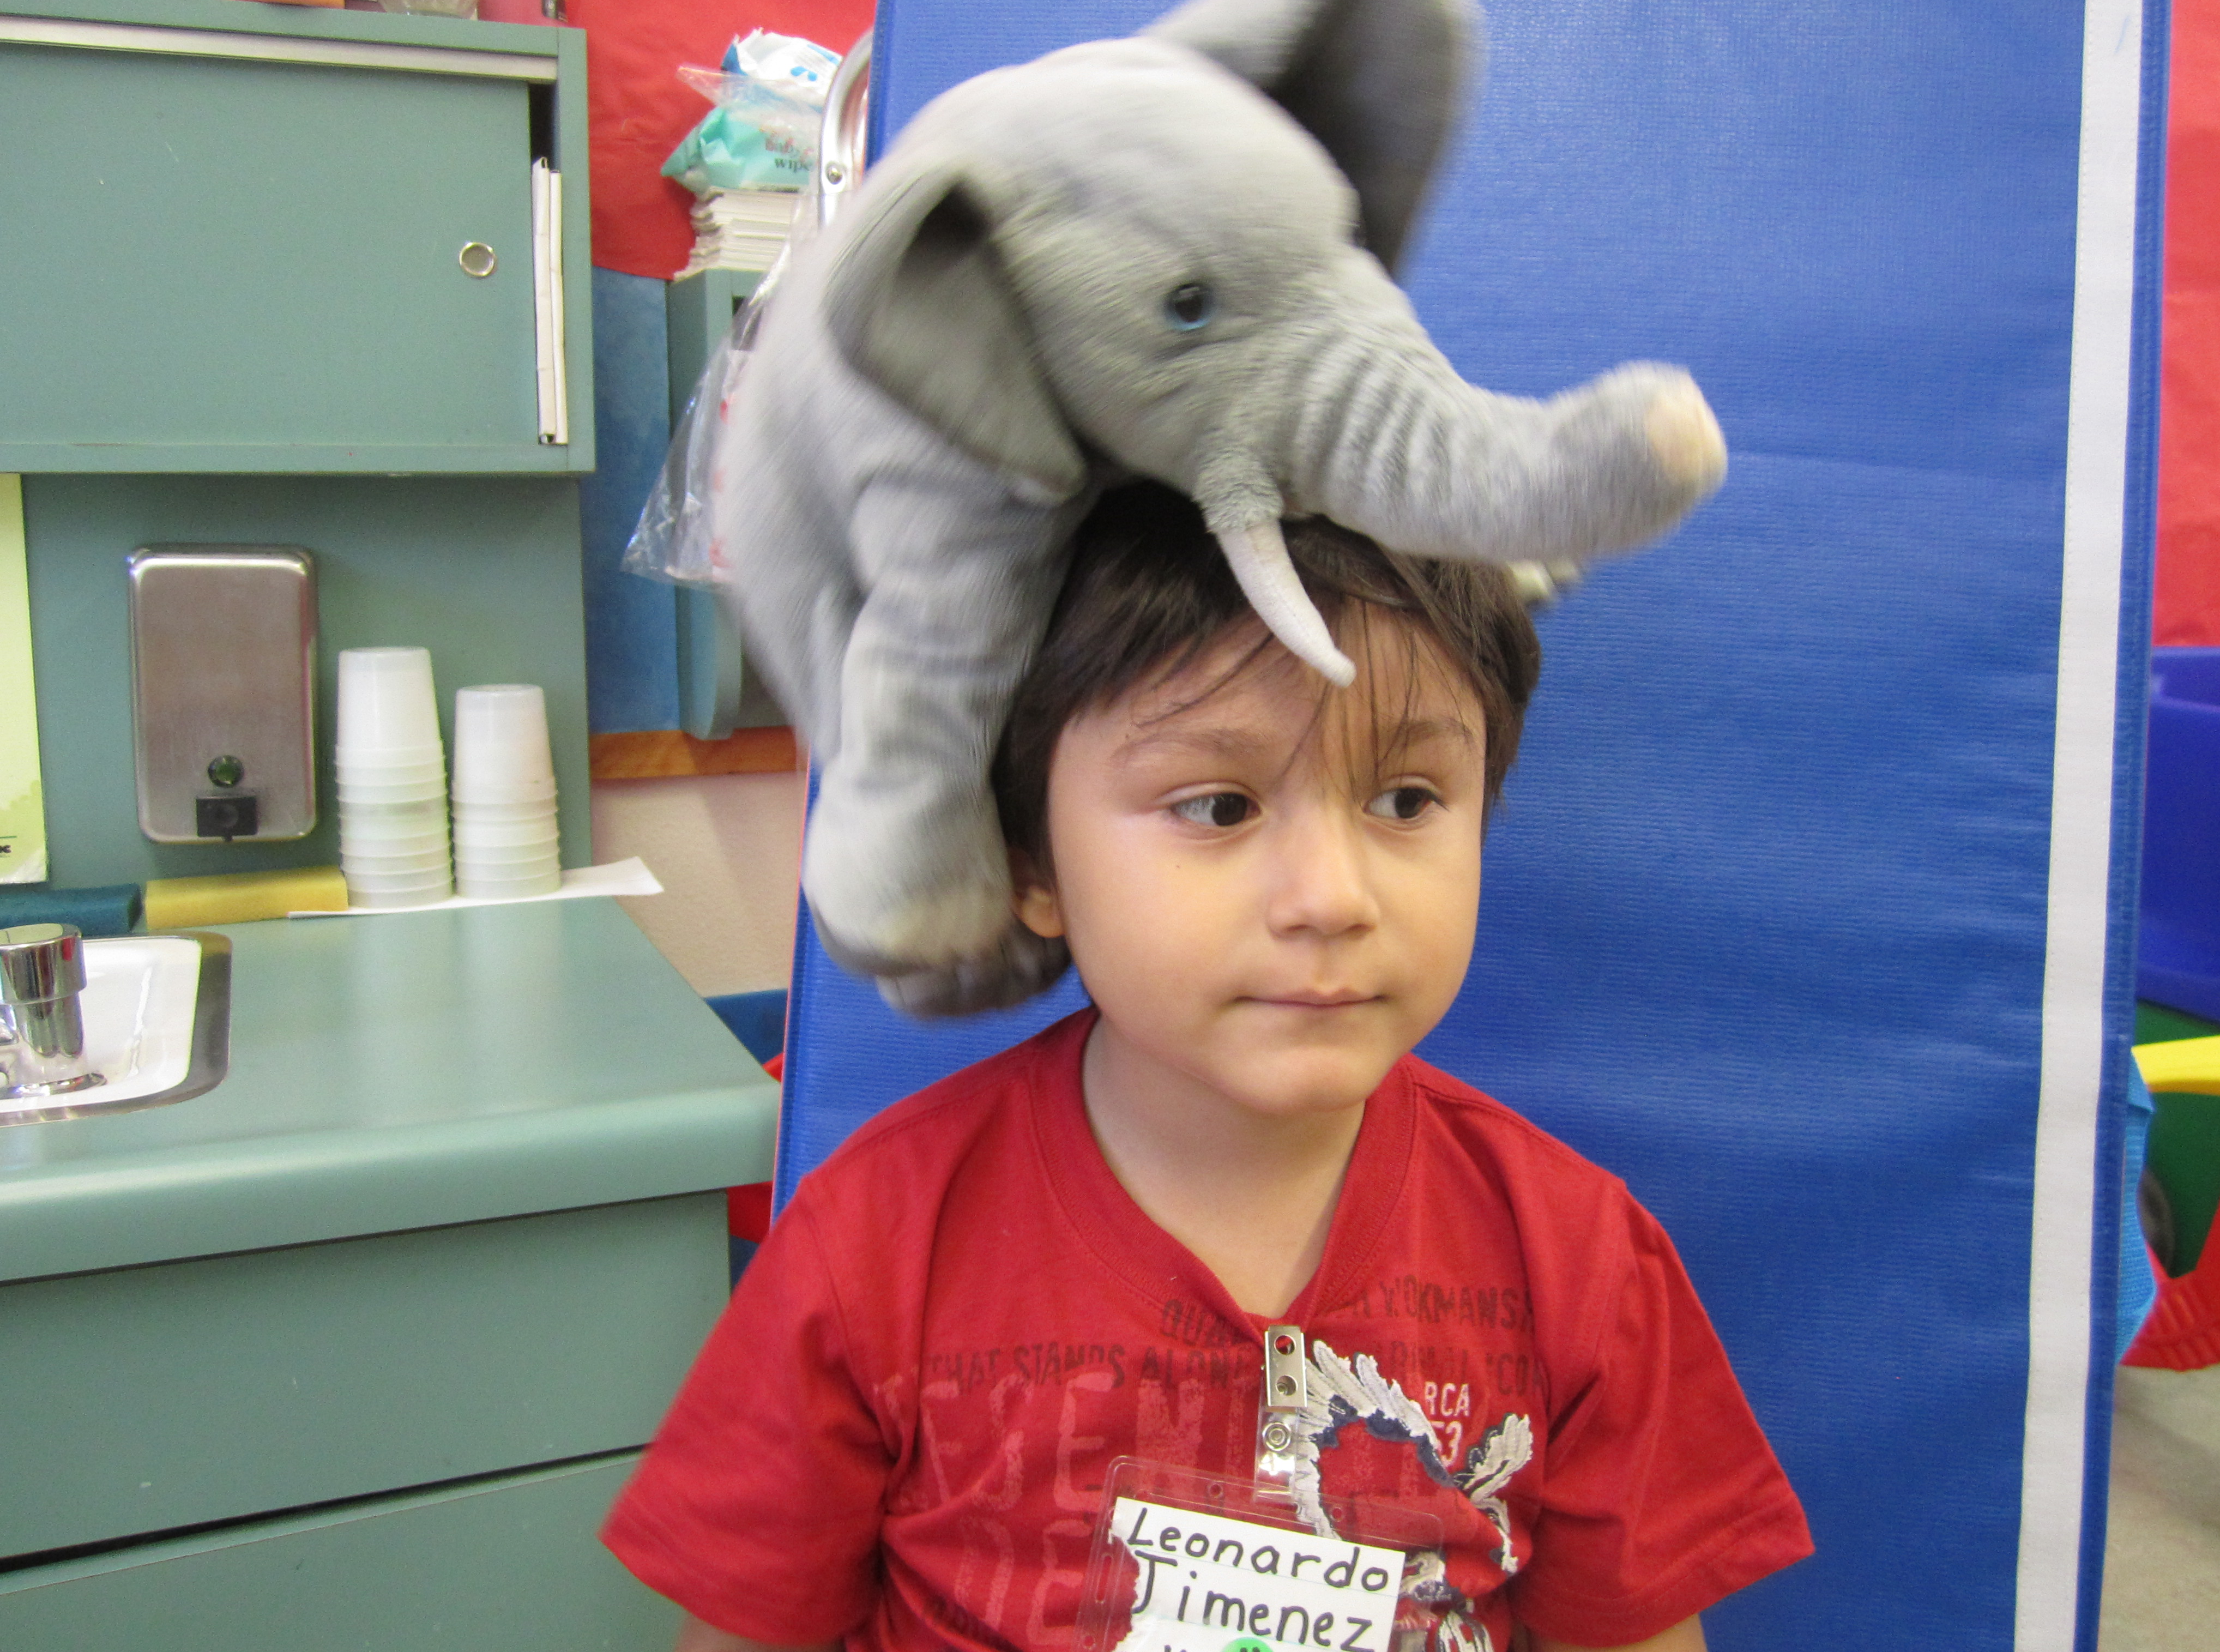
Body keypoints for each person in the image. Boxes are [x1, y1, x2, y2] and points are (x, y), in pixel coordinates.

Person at [602, 482, 1811, 1652]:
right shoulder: (871, 1252)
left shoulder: (1582, 1268)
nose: (1332, 897)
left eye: (1405, 799)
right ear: (1028, 865)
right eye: (1219, 808)